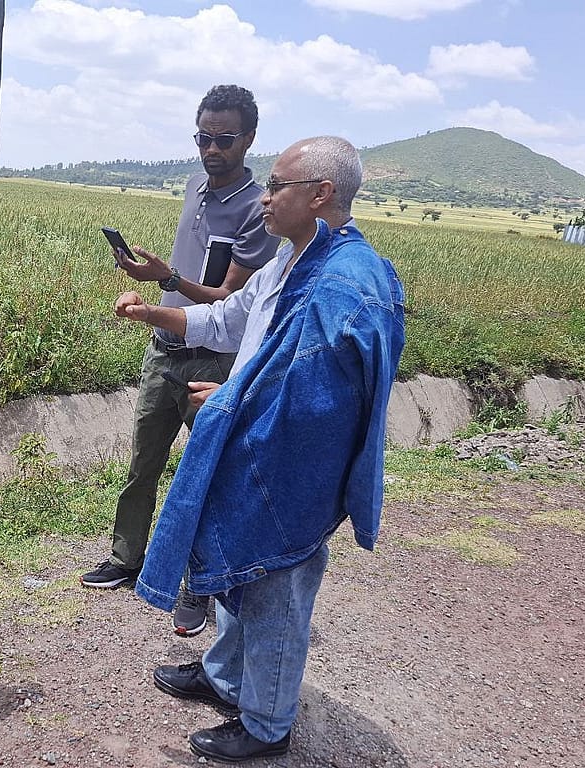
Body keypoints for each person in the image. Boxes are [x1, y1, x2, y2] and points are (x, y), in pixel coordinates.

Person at [121, 136, 405, 762]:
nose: (265, 199)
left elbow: (322, 403)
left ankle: (267, 723)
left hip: (292, 467)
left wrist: (228, 402)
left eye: (277, 186)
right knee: (241, 568)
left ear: (321, 194)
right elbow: (226, 321)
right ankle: (226, 677)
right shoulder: (286, 262)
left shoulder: (346, 282)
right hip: (253, 448)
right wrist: (149, 315)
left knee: (276, 586)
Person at [80, 85, 280, 638]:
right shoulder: (194, 186)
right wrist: (154, 283)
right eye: (203, 137)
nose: (211, 149)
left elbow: (228, 302)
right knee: (142, 463)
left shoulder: (257, 209)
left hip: (211, 363)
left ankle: (201, 583)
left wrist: (165, 279)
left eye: (224, 139)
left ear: (249, 139)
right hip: (163, 351)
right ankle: (126, 558)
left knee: (208, 474)